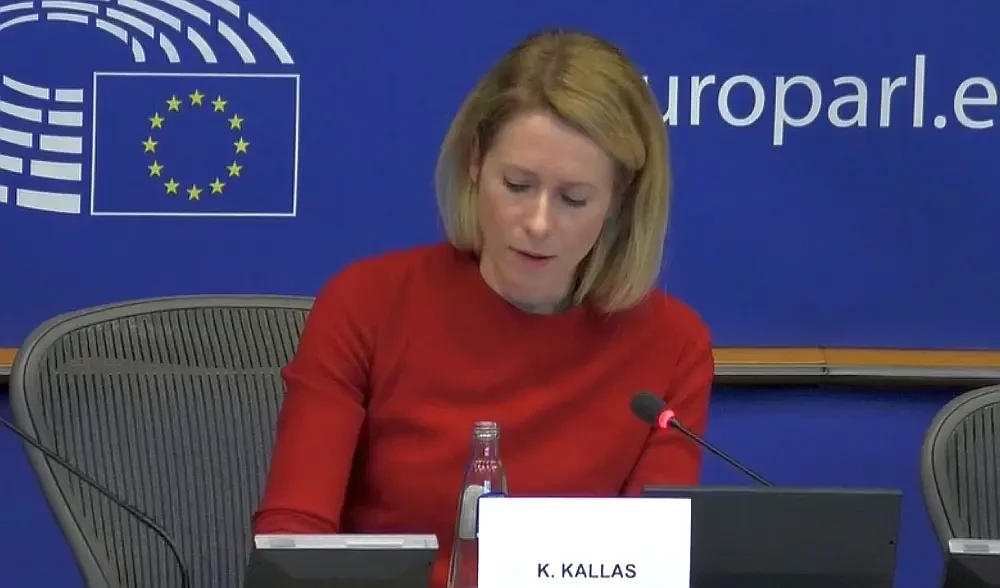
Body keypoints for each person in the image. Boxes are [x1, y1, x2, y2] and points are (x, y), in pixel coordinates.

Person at [252, 28, 714, 588]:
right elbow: (296, 540)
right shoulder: (367, 305)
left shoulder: (672, 345)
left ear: (619, 200)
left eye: (573, 199)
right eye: (517, 185)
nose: (539, 223)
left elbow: (650, 564)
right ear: (475, 163)